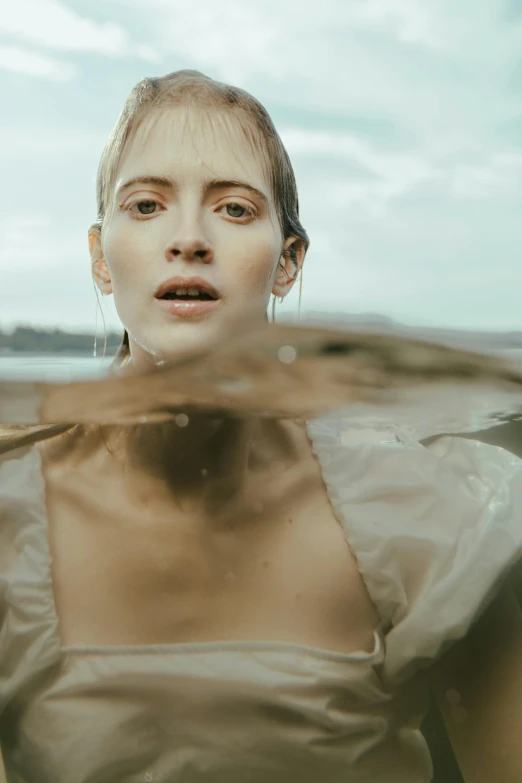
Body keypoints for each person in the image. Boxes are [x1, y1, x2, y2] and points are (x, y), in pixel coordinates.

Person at [0, 69, 522, 783]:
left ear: (288, 260)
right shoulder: (7, 522)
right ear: (99, 256)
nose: (188, 238)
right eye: (147, 204)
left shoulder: (428, 520)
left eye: (235, 209)